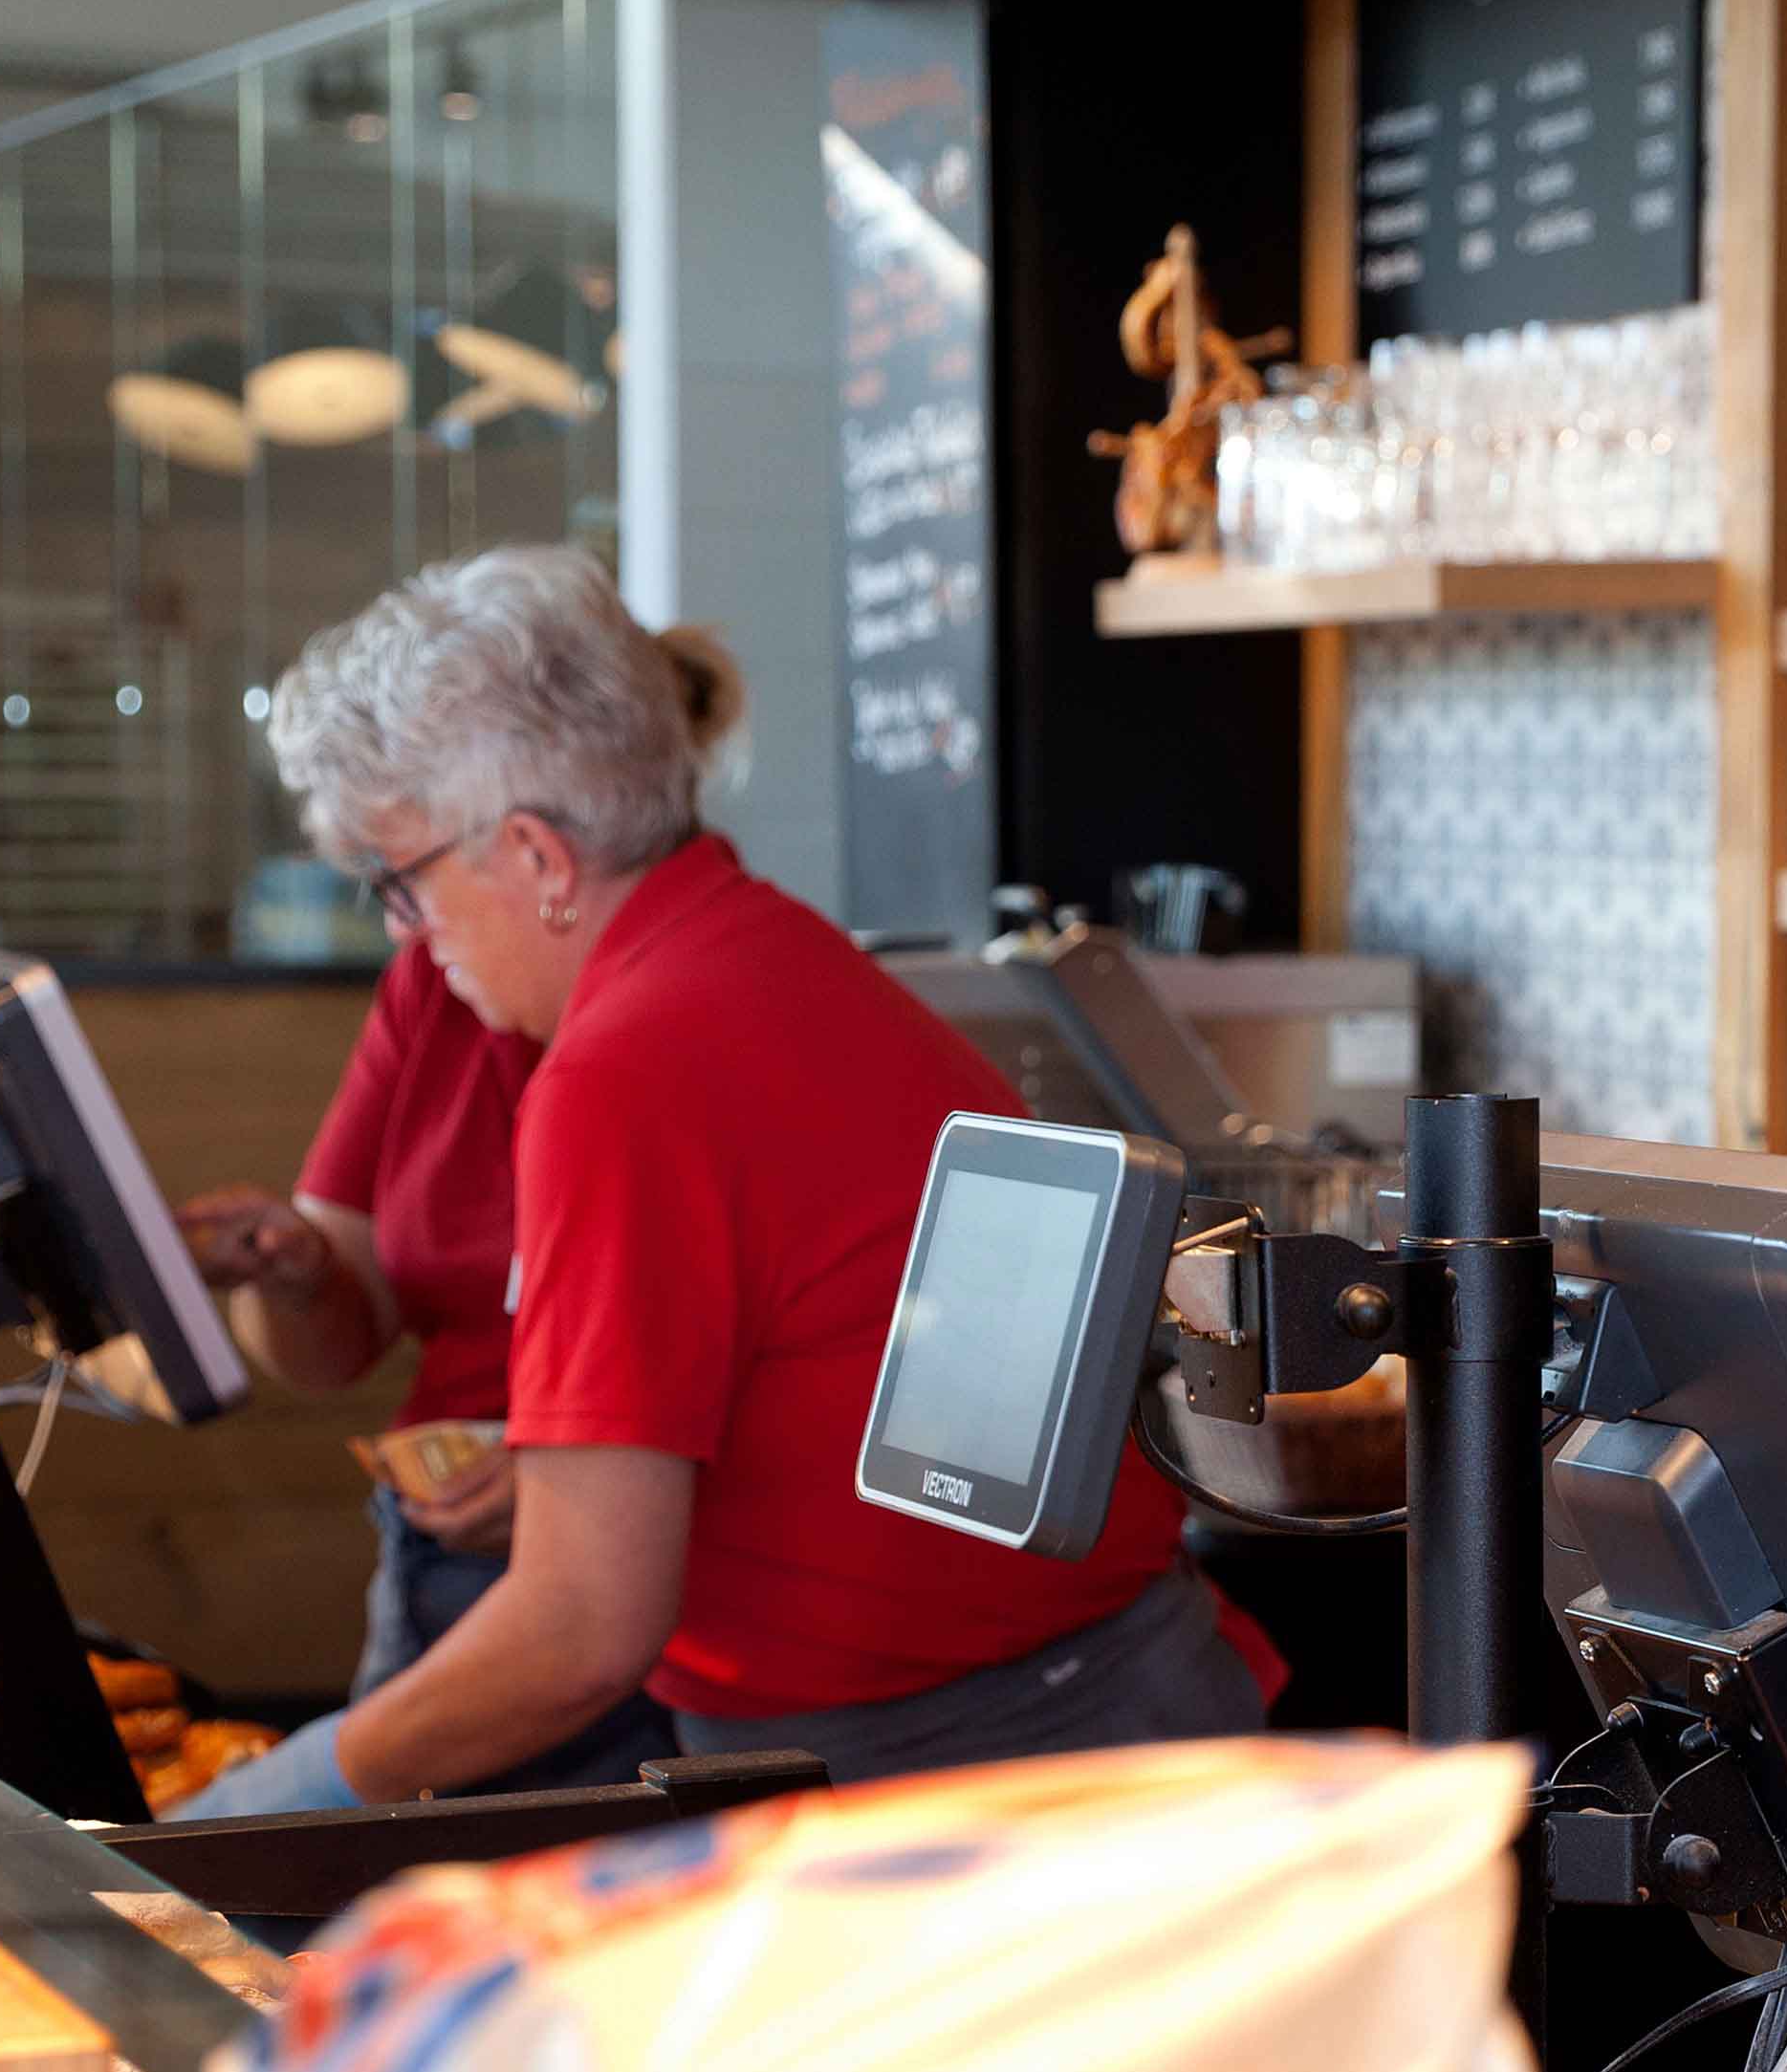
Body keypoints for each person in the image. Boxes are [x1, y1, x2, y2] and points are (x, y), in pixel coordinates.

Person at [186, 544, 1265, 1816]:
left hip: (991, 1758)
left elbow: (581, 1627)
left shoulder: (625, 1065)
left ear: (534, 858)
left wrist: (263, 1809)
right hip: (1071, 1715)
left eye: (400, 884)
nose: (403, 935)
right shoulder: (749, 947)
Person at [177, 912, 679, 1799]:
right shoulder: (430, 980)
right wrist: (294, 1273)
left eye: (412, 874)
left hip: (633, 1567)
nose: (394, 916)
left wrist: (588, 1472)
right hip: (442, 1547)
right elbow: (328, 1355)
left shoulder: (668, 1008)